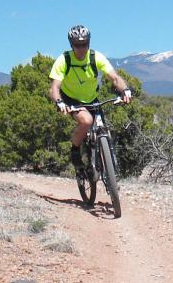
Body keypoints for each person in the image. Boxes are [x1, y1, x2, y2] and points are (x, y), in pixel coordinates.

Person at [48, 24, 133, 174]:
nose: (81, 48)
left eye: (84, 44)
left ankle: (108, 169)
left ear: (89, 43)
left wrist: (125, 90)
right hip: (71, 100)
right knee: (87, 121)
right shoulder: (64, 60)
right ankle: (75, 151)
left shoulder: (95, 57)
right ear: (71, 44)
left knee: (103, 128)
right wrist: (59, 102)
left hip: (92, 99)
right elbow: (54, 87)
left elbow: (114, 77)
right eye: (77, 45)